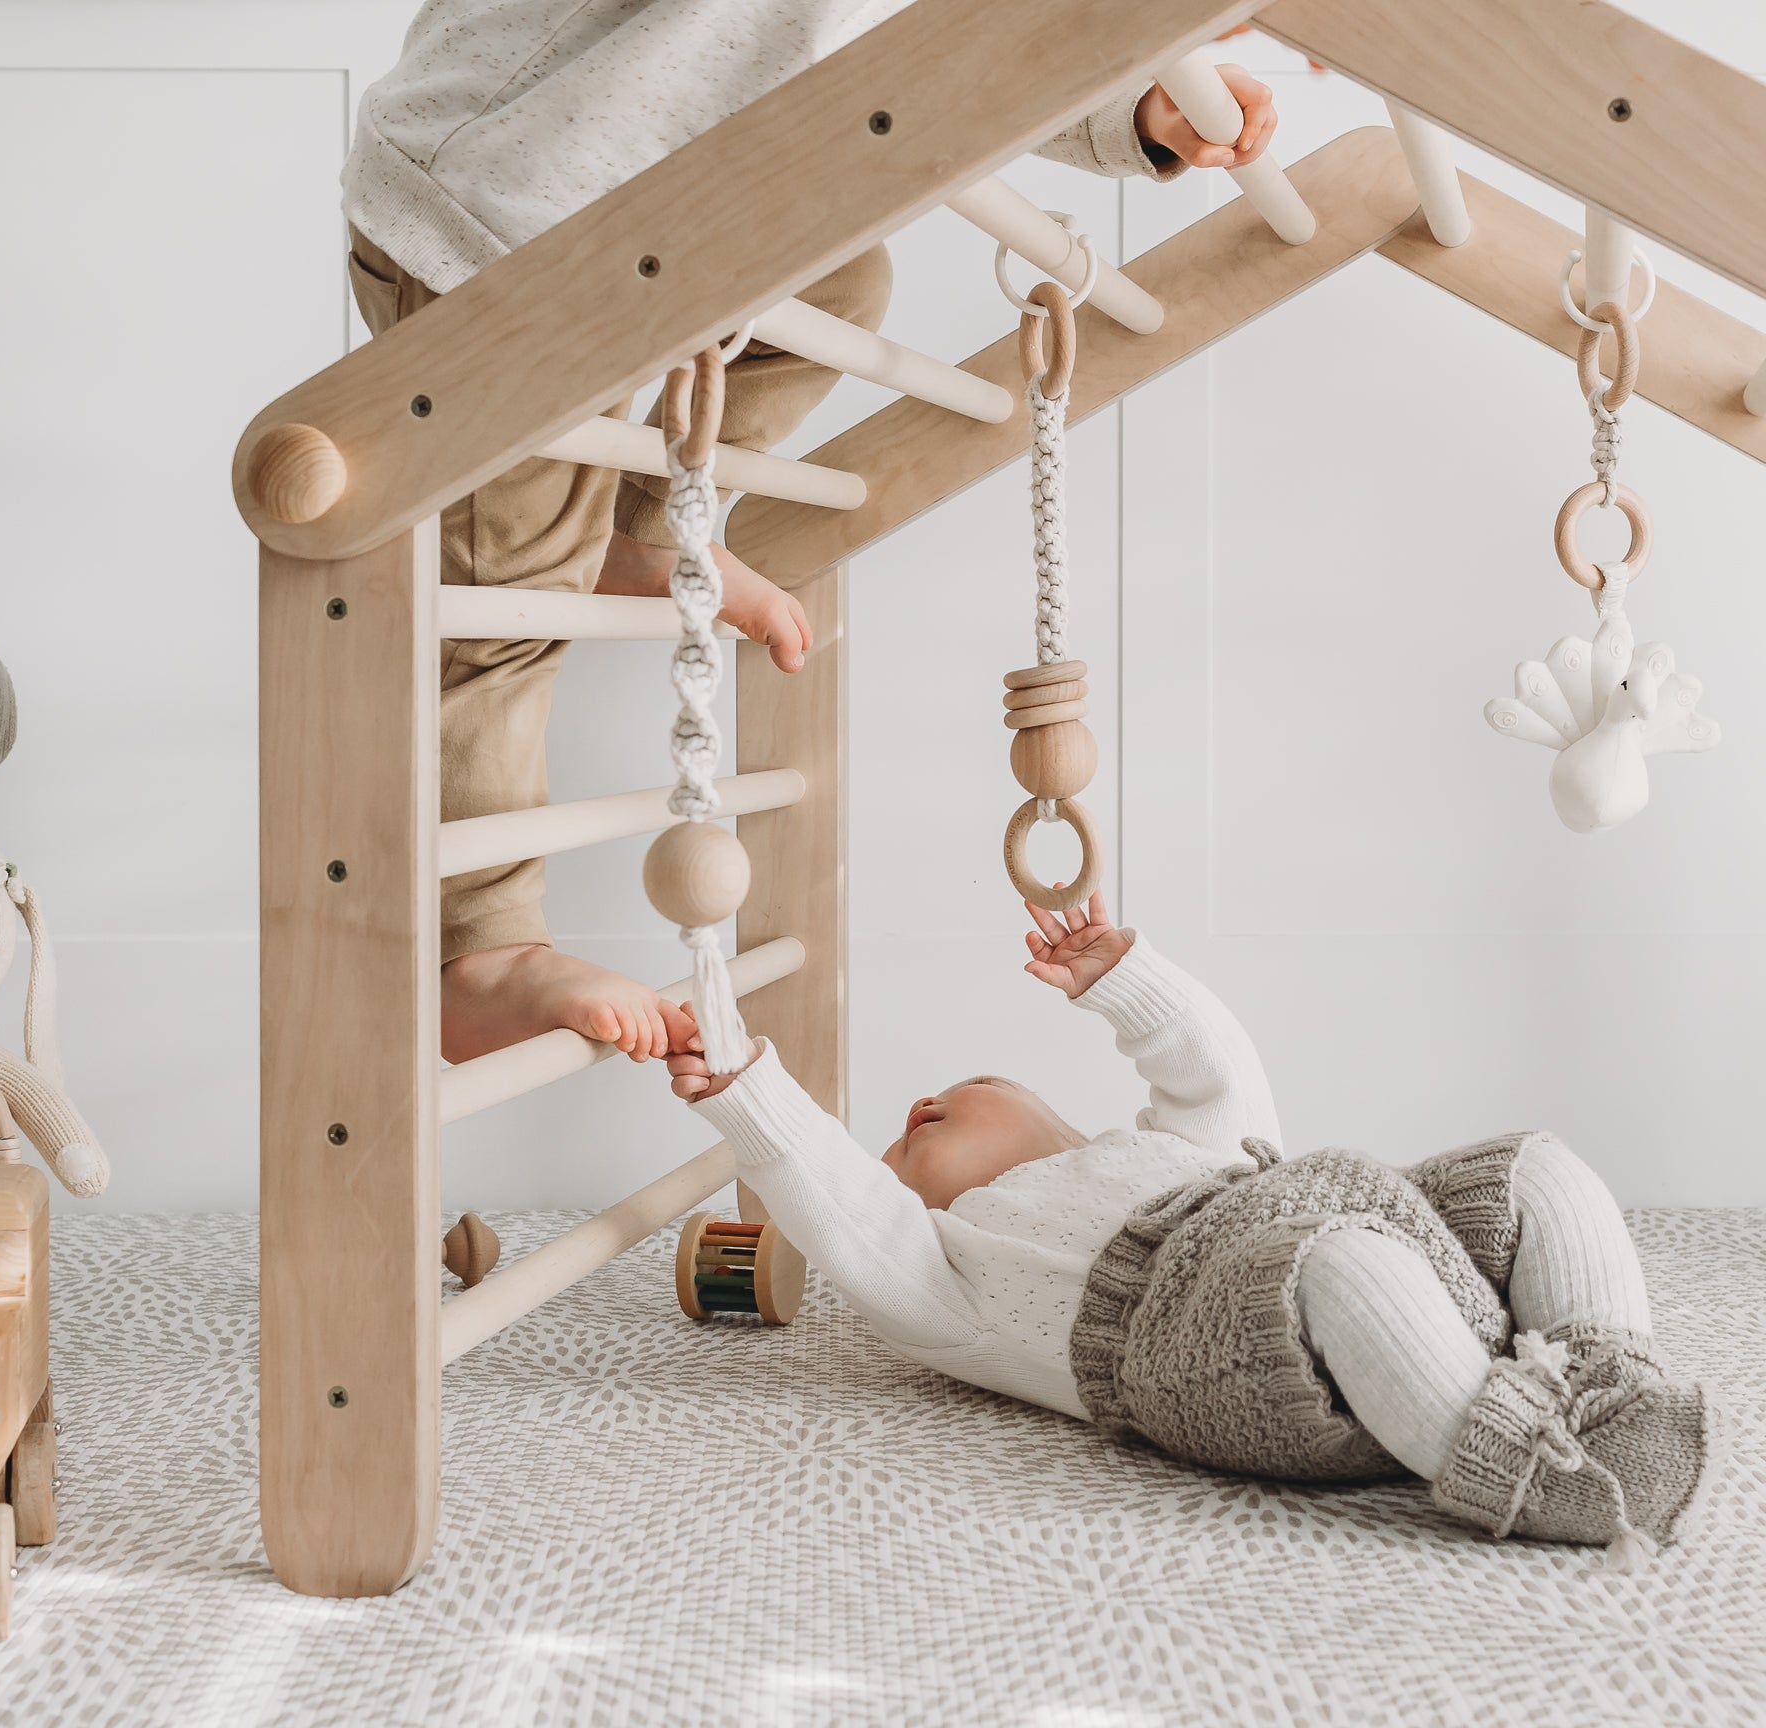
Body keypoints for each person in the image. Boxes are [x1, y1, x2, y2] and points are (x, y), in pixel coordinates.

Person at [342, 1, 1280, 1064]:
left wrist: (1133, 105)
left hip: (670, 211)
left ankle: (653, 533)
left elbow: (956, 42)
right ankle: (479, 952)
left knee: (841, 280)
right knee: (508, 603)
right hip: (503, 216)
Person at [665, 890, 1716, 1563]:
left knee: (1536, 1170)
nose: (908, 1120)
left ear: (1049, 1107)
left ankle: (1608, 1382)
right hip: (1220, 1348)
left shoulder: (1187, 1149)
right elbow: (854, 1221)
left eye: (959, 1087)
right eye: (898, 1154)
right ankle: (1535, 1476)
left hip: (1373, 1241)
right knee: (1343, 1265)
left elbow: (1217, 1070)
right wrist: (750, 1092)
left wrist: (1129, 984)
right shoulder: (959, 1273)